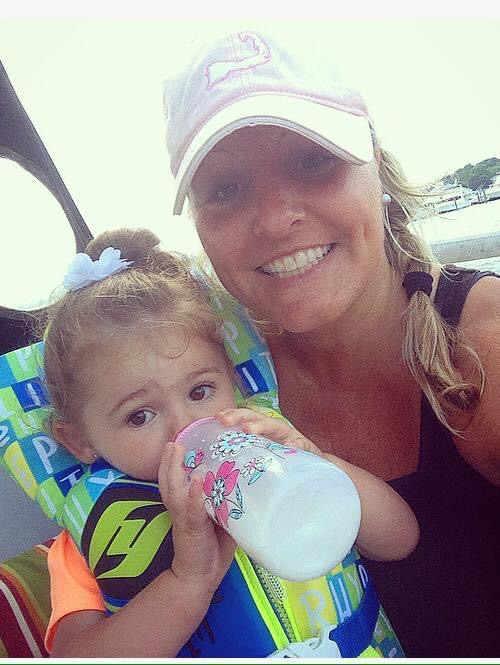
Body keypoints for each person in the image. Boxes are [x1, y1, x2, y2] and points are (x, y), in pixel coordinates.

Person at [161, 28, 500, 657]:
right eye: (226, 189)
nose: (275, 218)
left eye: (311, 161)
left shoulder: (483, 347)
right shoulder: (200, 374)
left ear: (378, 171)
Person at [42, 227, 418, 657]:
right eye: (139, 416)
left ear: (232, 380)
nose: (184, 425)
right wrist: (189, 580)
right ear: (79, 441)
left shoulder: (278, 455)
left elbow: (400, 540)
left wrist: (318, 464)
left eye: (200, 391)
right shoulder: (93, 530)